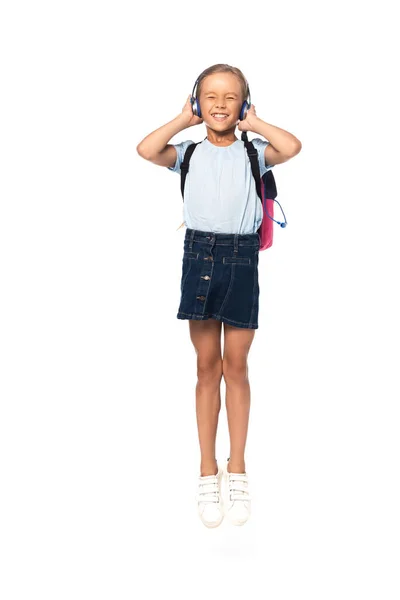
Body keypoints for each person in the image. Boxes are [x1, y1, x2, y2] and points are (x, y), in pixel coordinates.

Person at [136, 64, 302, 528]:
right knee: (206, 366)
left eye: (232, 97)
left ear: (244, 103)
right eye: (210, 96)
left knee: (237, 366)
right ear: (197, 101)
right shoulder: (188, 152)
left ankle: (239, 468)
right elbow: (147, 149)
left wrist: (255, 124)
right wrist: (181, 120)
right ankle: (207, 470)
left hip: (241, 259)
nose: (221, 105)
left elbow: (291, 146)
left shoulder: (255, 151)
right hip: (200, 258)